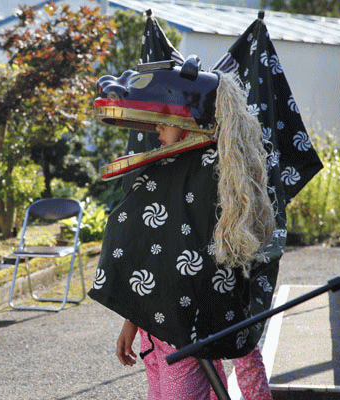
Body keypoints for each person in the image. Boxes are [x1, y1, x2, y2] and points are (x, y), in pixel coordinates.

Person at [113, 124, 273, 400]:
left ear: (191, 124)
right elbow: (151, 256)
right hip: (155, 337)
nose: (157, 127)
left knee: (234, 356)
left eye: (167, 119)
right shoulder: (164, 178)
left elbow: (244, 349)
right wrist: (132, 320)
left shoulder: (218, 180)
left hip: (186, 333)